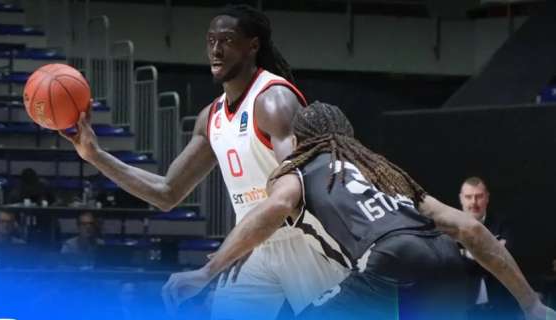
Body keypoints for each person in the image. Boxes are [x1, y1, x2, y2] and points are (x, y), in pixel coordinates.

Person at [60, 5, 347, 320]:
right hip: (255, 246)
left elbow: (297, 191)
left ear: (253, 46)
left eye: (226, 40)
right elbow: (166, 192)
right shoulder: (210, 118)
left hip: (304, 238)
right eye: (211, 40)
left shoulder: (274, 101)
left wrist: (215, 264)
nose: (216, 49)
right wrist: (95, 155)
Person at [165, 102, 556, 320]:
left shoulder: (301, 169)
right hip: (445, 260)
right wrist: (531, 303)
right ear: (348, 135)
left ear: (299, 140)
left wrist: (206, 272)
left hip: (387, 258)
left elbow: (273, 209)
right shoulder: (385, 171)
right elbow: (471, 231)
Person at [459, 177, 521, 319]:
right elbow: (455, 264)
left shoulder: (502, 224)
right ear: (461, 199)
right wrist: (491, 252)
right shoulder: (450, 228)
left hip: (500, 307)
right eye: (468, 197)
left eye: (479, 196)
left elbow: (503, 261)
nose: (474, 202)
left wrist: (465, 253)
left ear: (487, 198)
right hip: (464, 308)